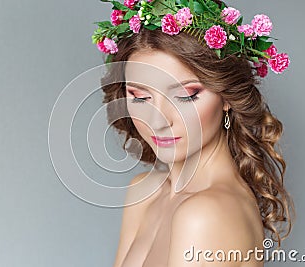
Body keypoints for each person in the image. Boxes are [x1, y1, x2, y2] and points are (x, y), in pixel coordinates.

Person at [92, 0, 294, 266]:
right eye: (140, 97)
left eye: (186, 95)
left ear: (226, 97)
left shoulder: (205, 215)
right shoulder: (144, 192)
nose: (158, 121)